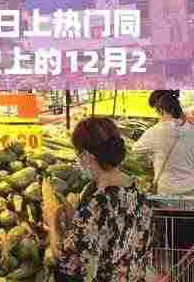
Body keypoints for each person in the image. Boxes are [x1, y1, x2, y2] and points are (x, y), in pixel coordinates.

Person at [45, 117, 152, 282]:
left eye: (78, 154)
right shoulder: (140, 193)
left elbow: (68, 262)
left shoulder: (97, 204)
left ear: (87, 156)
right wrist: (78, 220)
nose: (79, 160)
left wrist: (52, 223)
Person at [133, 90, 194, 195]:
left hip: (167, 190)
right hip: (190, 188)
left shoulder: (155, 131)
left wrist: (153, 154)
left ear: (161, 110)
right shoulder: (191, 128)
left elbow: (135, 149)